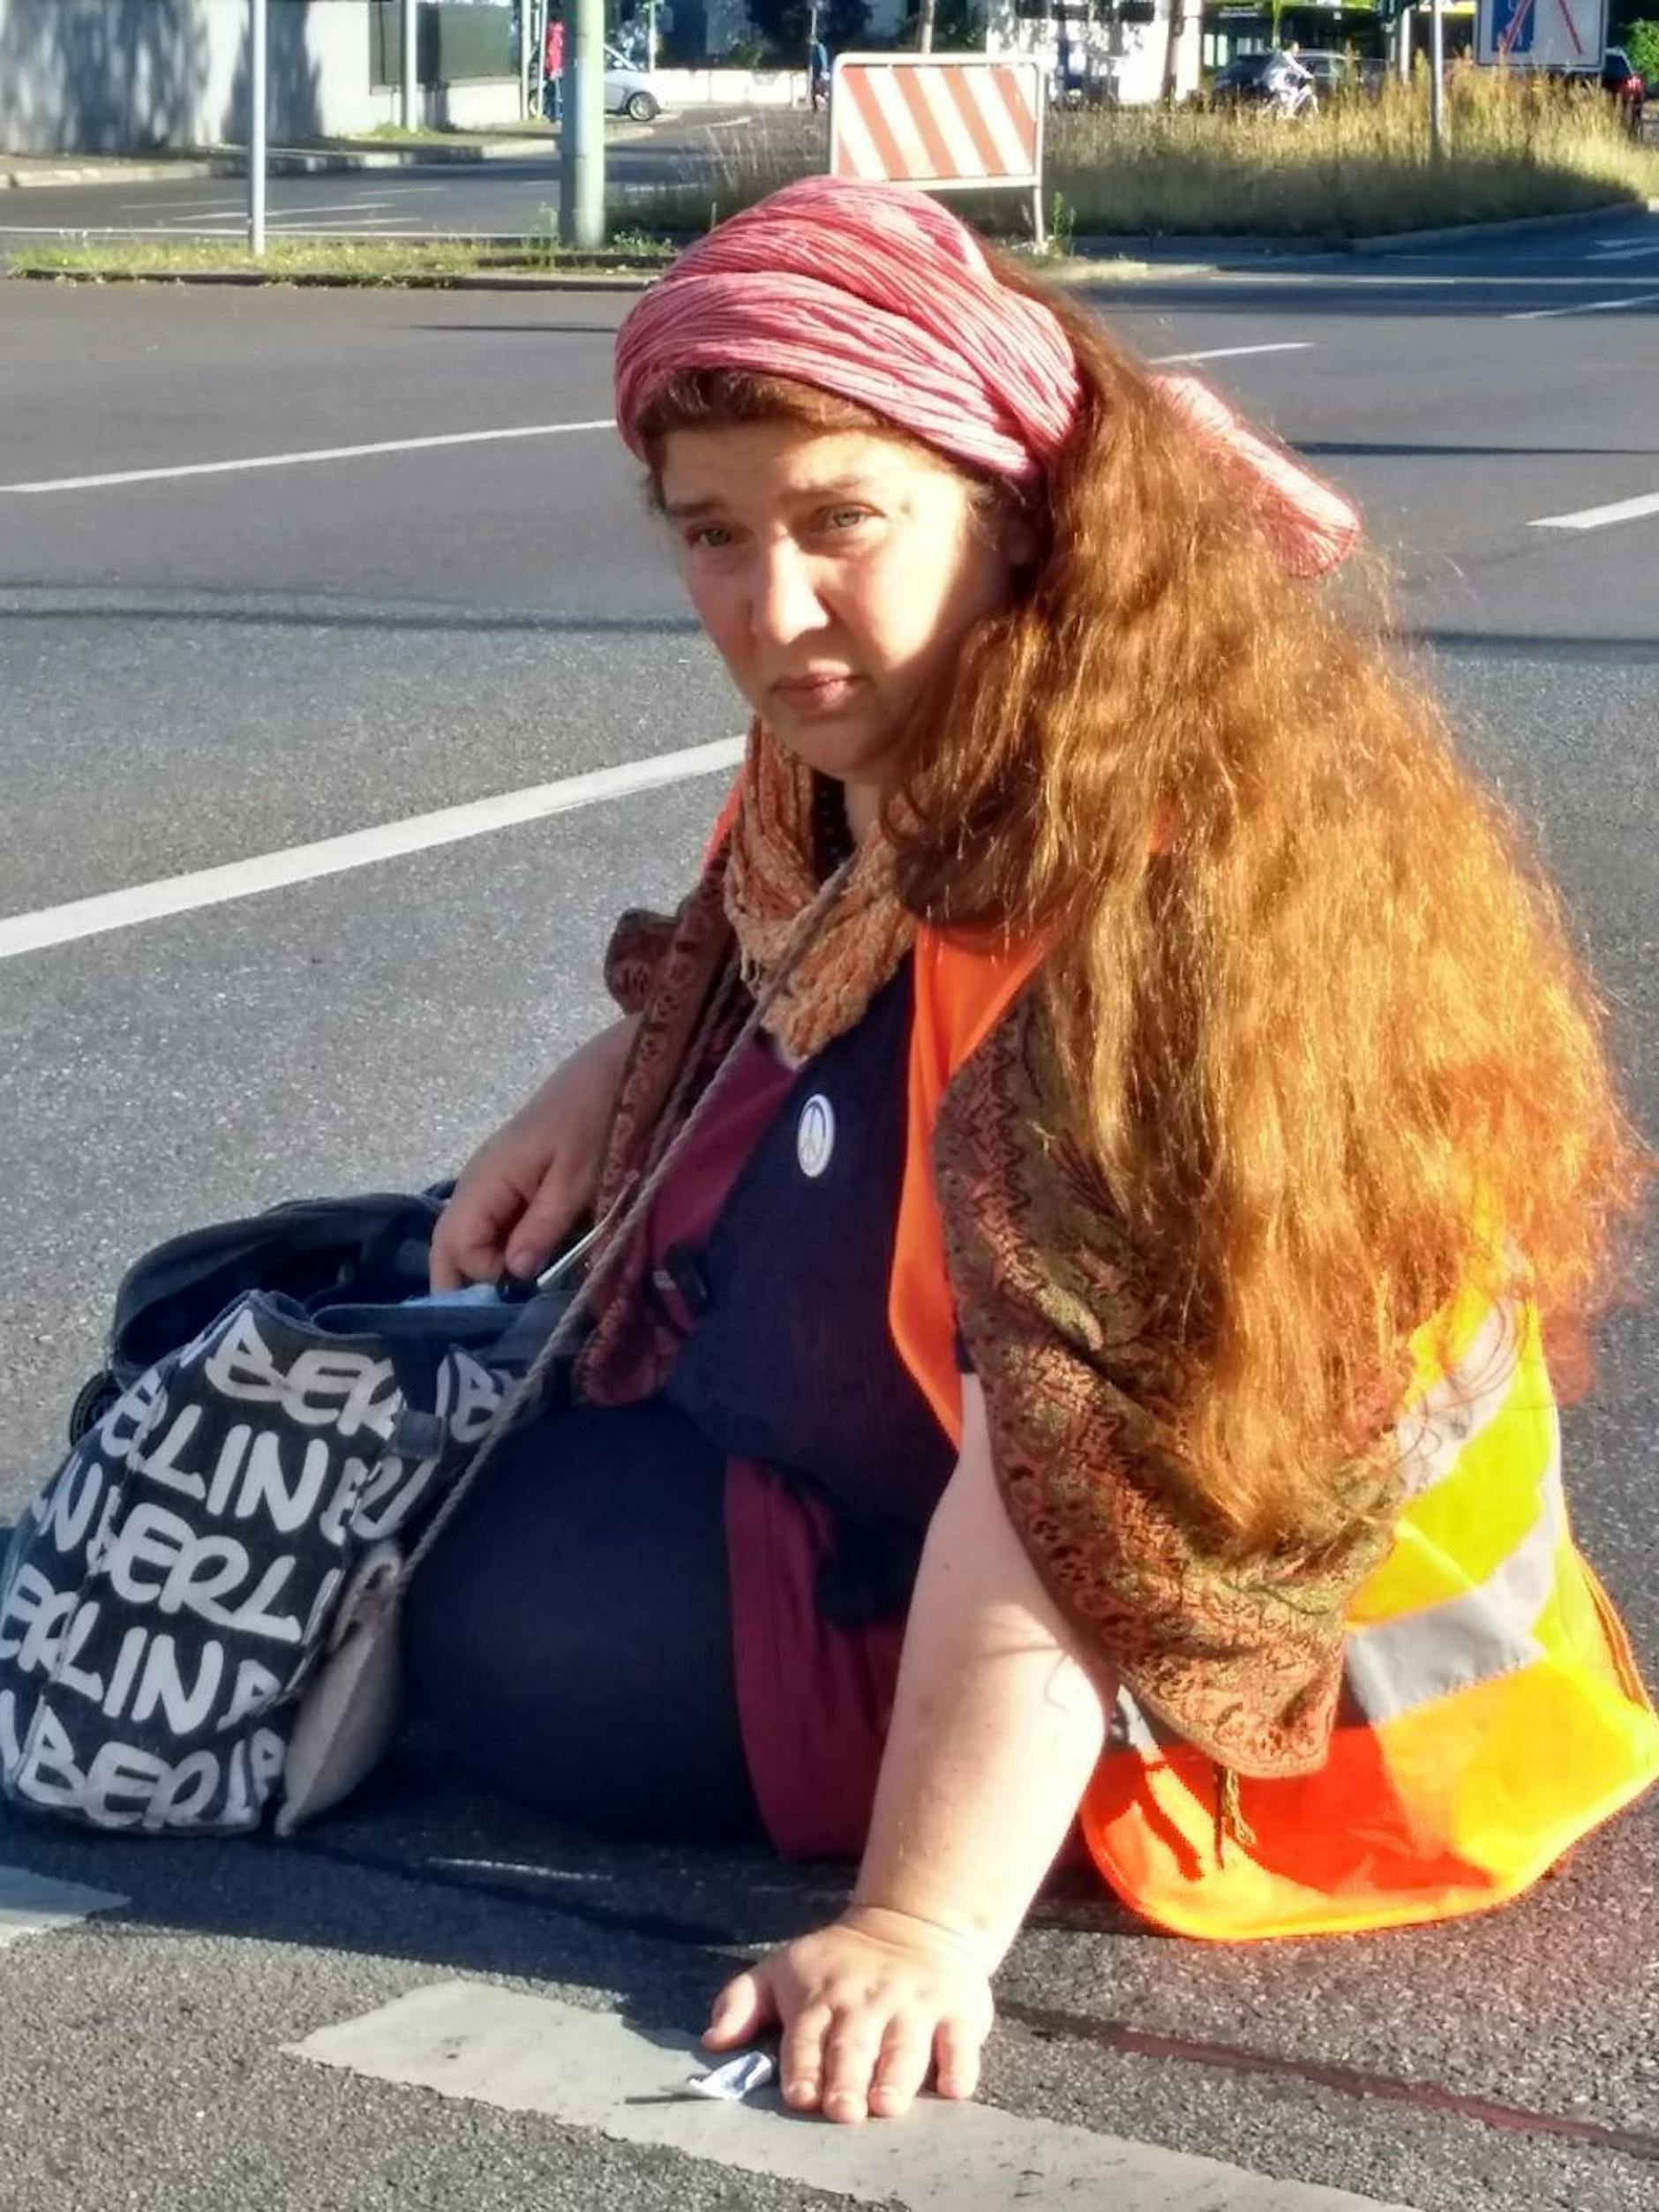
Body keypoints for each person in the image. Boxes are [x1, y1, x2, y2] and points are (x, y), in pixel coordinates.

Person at [404, 178, 1658, 2126]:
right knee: (306, 1356)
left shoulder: (1169, 897)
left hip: (1247, 1701)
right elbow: (791, 953)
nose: (772, 609)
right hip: (967, 1485)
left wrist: (918, 1920)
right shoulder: (922, 724)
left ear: (1006, 507)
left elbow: (1090, 1452)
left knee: (481, 1622)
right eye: (713, 533)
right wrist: (606, 1078)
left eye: (839, 520)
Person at [543, 10, 565, 123]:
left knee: (553, 92)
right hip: (556, 67)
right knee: (557, 93)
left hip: (554, 67)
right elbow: (552, 52)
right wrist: (554, 69)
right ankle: (556, 115)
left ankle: (551, 114)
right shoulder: (556, 33)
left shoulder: (551, 31)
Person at [809, 34, 830, 112]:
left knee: (822, 91)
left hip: (820, 72)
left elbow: (823, 59)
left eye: (810, 41)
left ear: (814, 40)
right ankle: (815, 107)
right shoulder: (813, 49)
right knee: (815, 90)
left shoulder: (819, 47)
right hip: (816, 72)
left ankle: (827, 104)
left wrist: (823, 71)